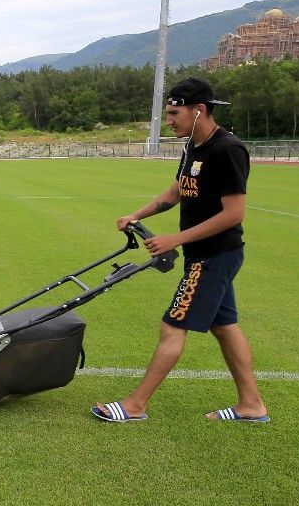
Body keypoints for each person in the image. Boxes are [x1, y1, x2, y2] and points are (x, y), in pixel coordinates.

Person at [92, 77, 268, 423]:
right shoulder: (192, 147)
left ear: (198, 111)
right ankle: (251, 405)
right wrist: (136, 214)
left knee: (172, 327)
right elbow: (175, 193)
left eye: (174, 113)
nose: (168, 120)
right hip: (203, 254)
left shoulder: (226, 149)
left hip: (214, 255)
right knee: (225, 326)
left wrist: (176, 238)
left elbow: (234, 214)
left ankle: (135, 405)